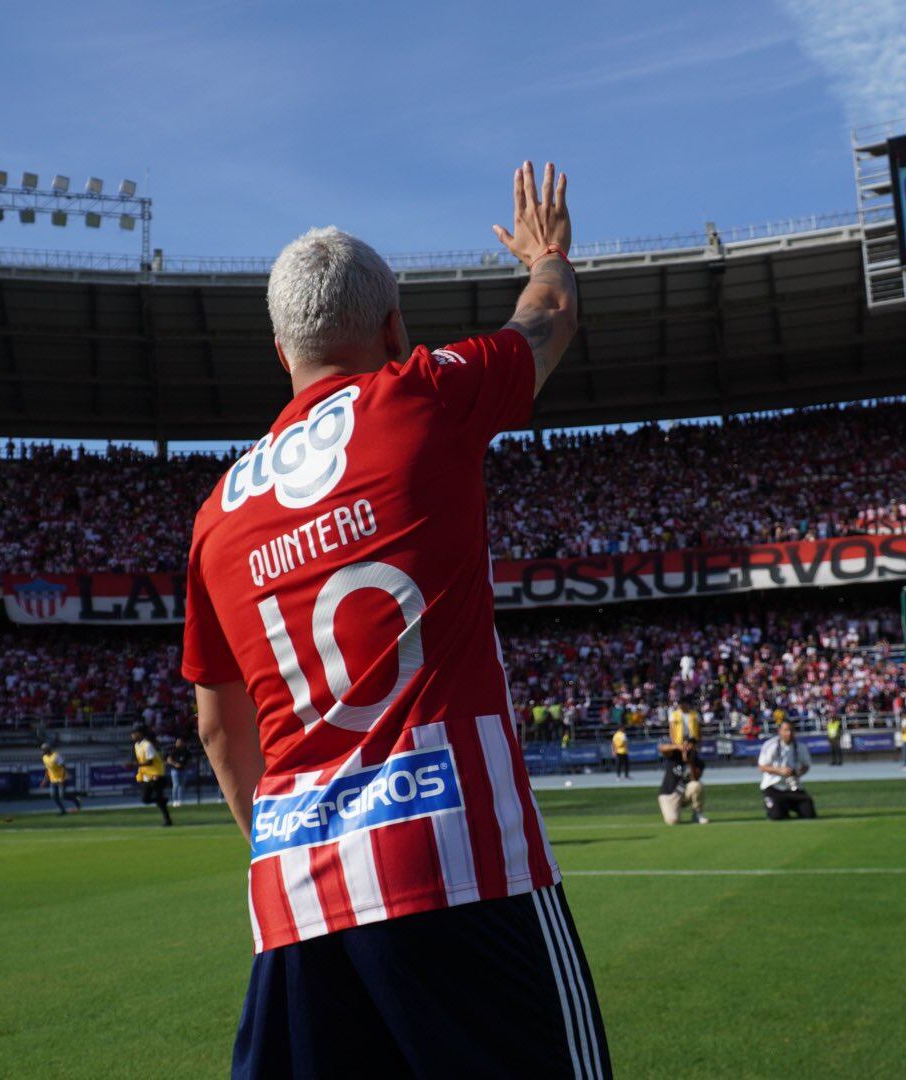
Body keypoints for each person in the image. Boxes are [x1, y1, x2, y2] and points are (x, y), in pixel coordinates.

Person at [184, 162, 609, 1077]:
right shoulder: (418, 395)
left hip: (295, 895)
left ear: (279, 350)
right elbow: (546, 321)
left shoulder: (217, 513)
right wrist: (549, 255)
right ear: (393, 327)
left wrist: (294, 846)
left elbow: (221, 732)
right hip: (457, 862)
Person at [759, 721, 817, 821]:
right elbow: (762, 767)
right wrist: (780, 771)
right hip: (773, 787)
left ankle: (788, 806)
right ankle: (778, 807)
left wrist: (798, 773)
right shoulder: (770, 745)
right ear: (780, 731)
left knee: (809, 813)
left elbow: (806, 766)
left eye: (791, 730)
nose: (789, 733)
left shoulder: (800, 746)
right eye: (786, 730)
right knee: (776, 816)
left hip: (793, 787)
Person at [657, 738, 709, 825]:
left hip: (684, 793)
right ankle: (674, 811)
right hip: (669, 794)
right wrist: (677, 747)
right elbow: (661, 748)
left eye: (692, 746)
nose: (689, 748)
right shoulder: (674, 755)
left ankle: (697, 814)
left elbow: (695, 778)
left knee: (697, 785)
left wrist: (689, 762)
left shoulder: (698, 762)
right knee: (672, 821)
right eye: (687, 745)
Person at [130, 724, 172, 827]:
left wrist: (135, 764)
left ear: (140, 733)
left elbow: (150, 762)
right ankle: (163, 800)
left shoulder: (147, 745)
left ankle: (167, 820)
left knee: (159, 799)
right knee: (145, 799)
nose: (132, 735)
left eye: (134, 733)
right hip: (147, 775)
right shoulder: (137, 745)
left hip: (157, 774)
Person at [40, 743, 82, 816]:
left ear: (48, 750)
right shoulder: (44, 758)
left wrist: (63, 778)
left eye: (43, 750)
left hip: (61, 779)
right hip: (53, 780)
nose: (42, 751)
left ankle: (76, 800)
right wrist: (45, 780)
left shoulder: (56, 756)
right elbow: (47, 769)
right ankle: (63, 811)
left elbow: (63, 766)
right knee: (53, 796)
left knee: (62, 796)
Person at [167, 738, 192, 808]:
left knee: (182, 785)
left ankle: (180, 800)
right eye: (177, 742)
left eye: (180, 742)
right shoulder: (174, 751)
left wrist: (186, 765)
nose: (178, 744)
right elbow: (169, 759)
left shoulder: (186, 751)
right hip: (175, 770)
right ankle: (175, 800)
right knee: (176, 785)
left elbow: (190, 760)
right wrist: (175, 764)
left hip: (183, 770)